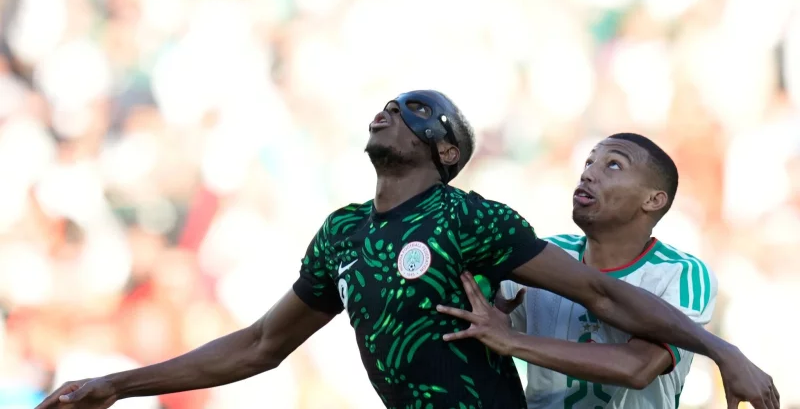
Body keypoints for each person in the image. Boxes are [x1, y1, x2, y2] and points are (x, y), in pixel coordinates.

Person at [36, 92, 777, 409]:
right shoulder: (342, 235)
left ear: (447, 150)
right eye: (390, 103)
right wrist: (119, 385)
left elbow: (613, 310)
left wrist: (724, 352)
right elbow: (261, 344)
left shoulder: (471, 220)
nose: (392, 109)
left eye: (417, 109)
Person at [436, 133, 778, 409]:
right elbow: (481, 318)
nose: (588, 172)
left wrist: (513, 341)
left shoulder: (684, 273)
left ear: (653, 200)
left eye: (613, 165)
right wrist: (494, 309)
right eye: (588, 162)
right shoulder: (545, 254)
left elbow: (637, 367)